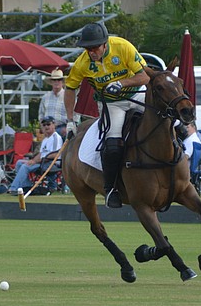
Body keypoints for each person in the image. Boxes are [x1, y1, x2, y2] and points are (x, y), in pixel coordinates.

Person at [63, 21, 149, 208]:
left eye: (95, 48)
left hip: (137, 95)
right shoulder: (82, 63)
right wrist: (70, 120)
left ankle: (184, 173)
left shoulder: (123, 47)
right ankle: (111, 189)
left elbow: (144, 76)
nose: (92, 52)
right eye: (88, 49)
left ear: (105, 44)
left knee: (169, 123)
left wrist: (121, 83)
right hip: (111, 103)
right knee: (112, 145)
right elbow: (70, 88)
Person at [9, 116, 63, 192]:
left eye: (48, 124)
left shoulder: (56, 137)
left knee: (25, 167)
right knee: (19, 163)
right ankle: (27, 186)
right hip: (43, 162)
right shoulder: (46, 139)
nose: (46, 126)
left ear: (54, 125)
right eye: (44, 125)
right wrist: (33, 160)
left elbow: (55, 154)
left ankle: (13, 188)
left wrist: (36, 161)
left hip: (51, 164)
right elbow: (41, 154)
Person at [38, 69, 68, 137]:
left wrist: (68, 128)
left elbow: (75, 115)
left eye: (59, 80)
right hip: (47, 129)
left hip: (62, 129)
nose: (56, 82)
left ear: (62, 82)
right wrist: (42, 127)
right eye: (54, 80)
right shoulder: (45, 97)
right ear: (51, 82)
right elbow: (41, 114)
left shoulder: (68, 97)